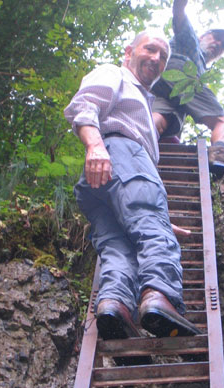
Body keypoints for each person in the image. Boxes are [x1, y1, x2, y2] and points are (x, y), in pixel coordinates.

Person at [64, 31, 201, 365]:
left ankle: (116, 307)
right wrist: (95, 146)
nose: (156, 58)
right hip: (121, 155)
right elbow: (83, 105)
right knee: (154, 233)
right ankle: (160, 297)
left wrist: (157, 216)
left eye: (163, 56)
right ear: (129, 51)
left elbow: (136, 205)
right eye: (149, 49)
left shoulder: (144, 96)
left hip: (102, 183)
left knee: (117, 248)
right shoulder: (115, 73)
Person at [152, 0, 224, 178]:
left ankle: (135, 143)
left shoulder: (202, 65)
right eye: (215, 38)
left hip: (161, 86)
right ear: (202, 36)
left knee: (161, 120)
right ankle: (218, 154)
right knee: (223, 122)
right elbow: (179, 11)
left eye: (222, 46)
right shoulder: (190, 40)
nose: (218, 45)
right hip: (181, 72)